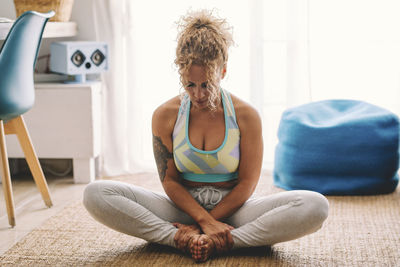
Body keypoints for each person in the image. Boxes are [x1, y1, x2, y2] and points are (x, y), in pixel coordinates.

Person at [83, 9, 329, 262]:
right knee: (96, 193)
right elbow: (170, 181)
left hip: (235, 210)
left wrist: (211, 222)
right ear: (181, 76)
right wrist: (202, 220)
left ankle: (222, 240)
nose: (198, 95)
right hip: (182, 209)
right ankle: (182, 237)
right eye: (190, 85)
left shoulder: (246, 115)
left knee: (315, 205)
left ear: (222, 72)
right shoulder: (165, 115)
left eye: (206, 85)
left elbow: (247, 183)